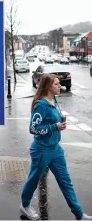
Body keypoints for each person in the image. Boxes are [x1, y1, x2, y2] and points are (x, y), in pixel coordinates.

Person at [20, 74, 92, 220]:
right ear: (48, 87)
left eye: (59, 84)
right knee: (34, 179)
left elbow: (53, 121)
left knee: (66, 181)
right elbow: (33, 129)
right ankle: (25, 205)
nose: (60, 86)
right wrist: (55, 126)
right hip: (41, 150)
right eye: (56, 84)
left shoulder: (54, 100)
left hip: (55, 149)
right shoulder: (41, 105)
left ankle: (79, 214)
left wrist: (60, 121)